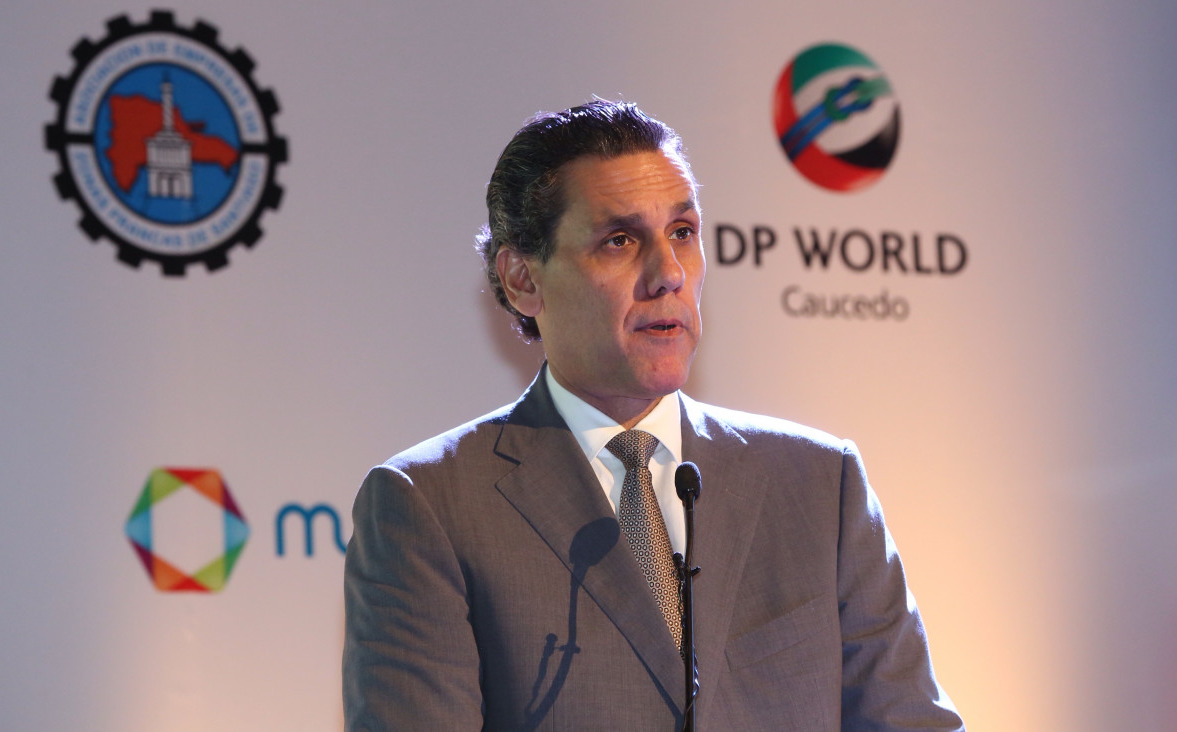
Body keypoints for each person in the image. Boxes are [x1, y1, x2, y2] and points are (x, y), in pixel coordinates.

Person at [343, 99, 963, 731]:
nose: (668, 273)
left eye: (683, 233)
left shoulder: (819, 484)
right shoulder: (430, 506)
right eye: (619, 241)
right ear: (523, 279)